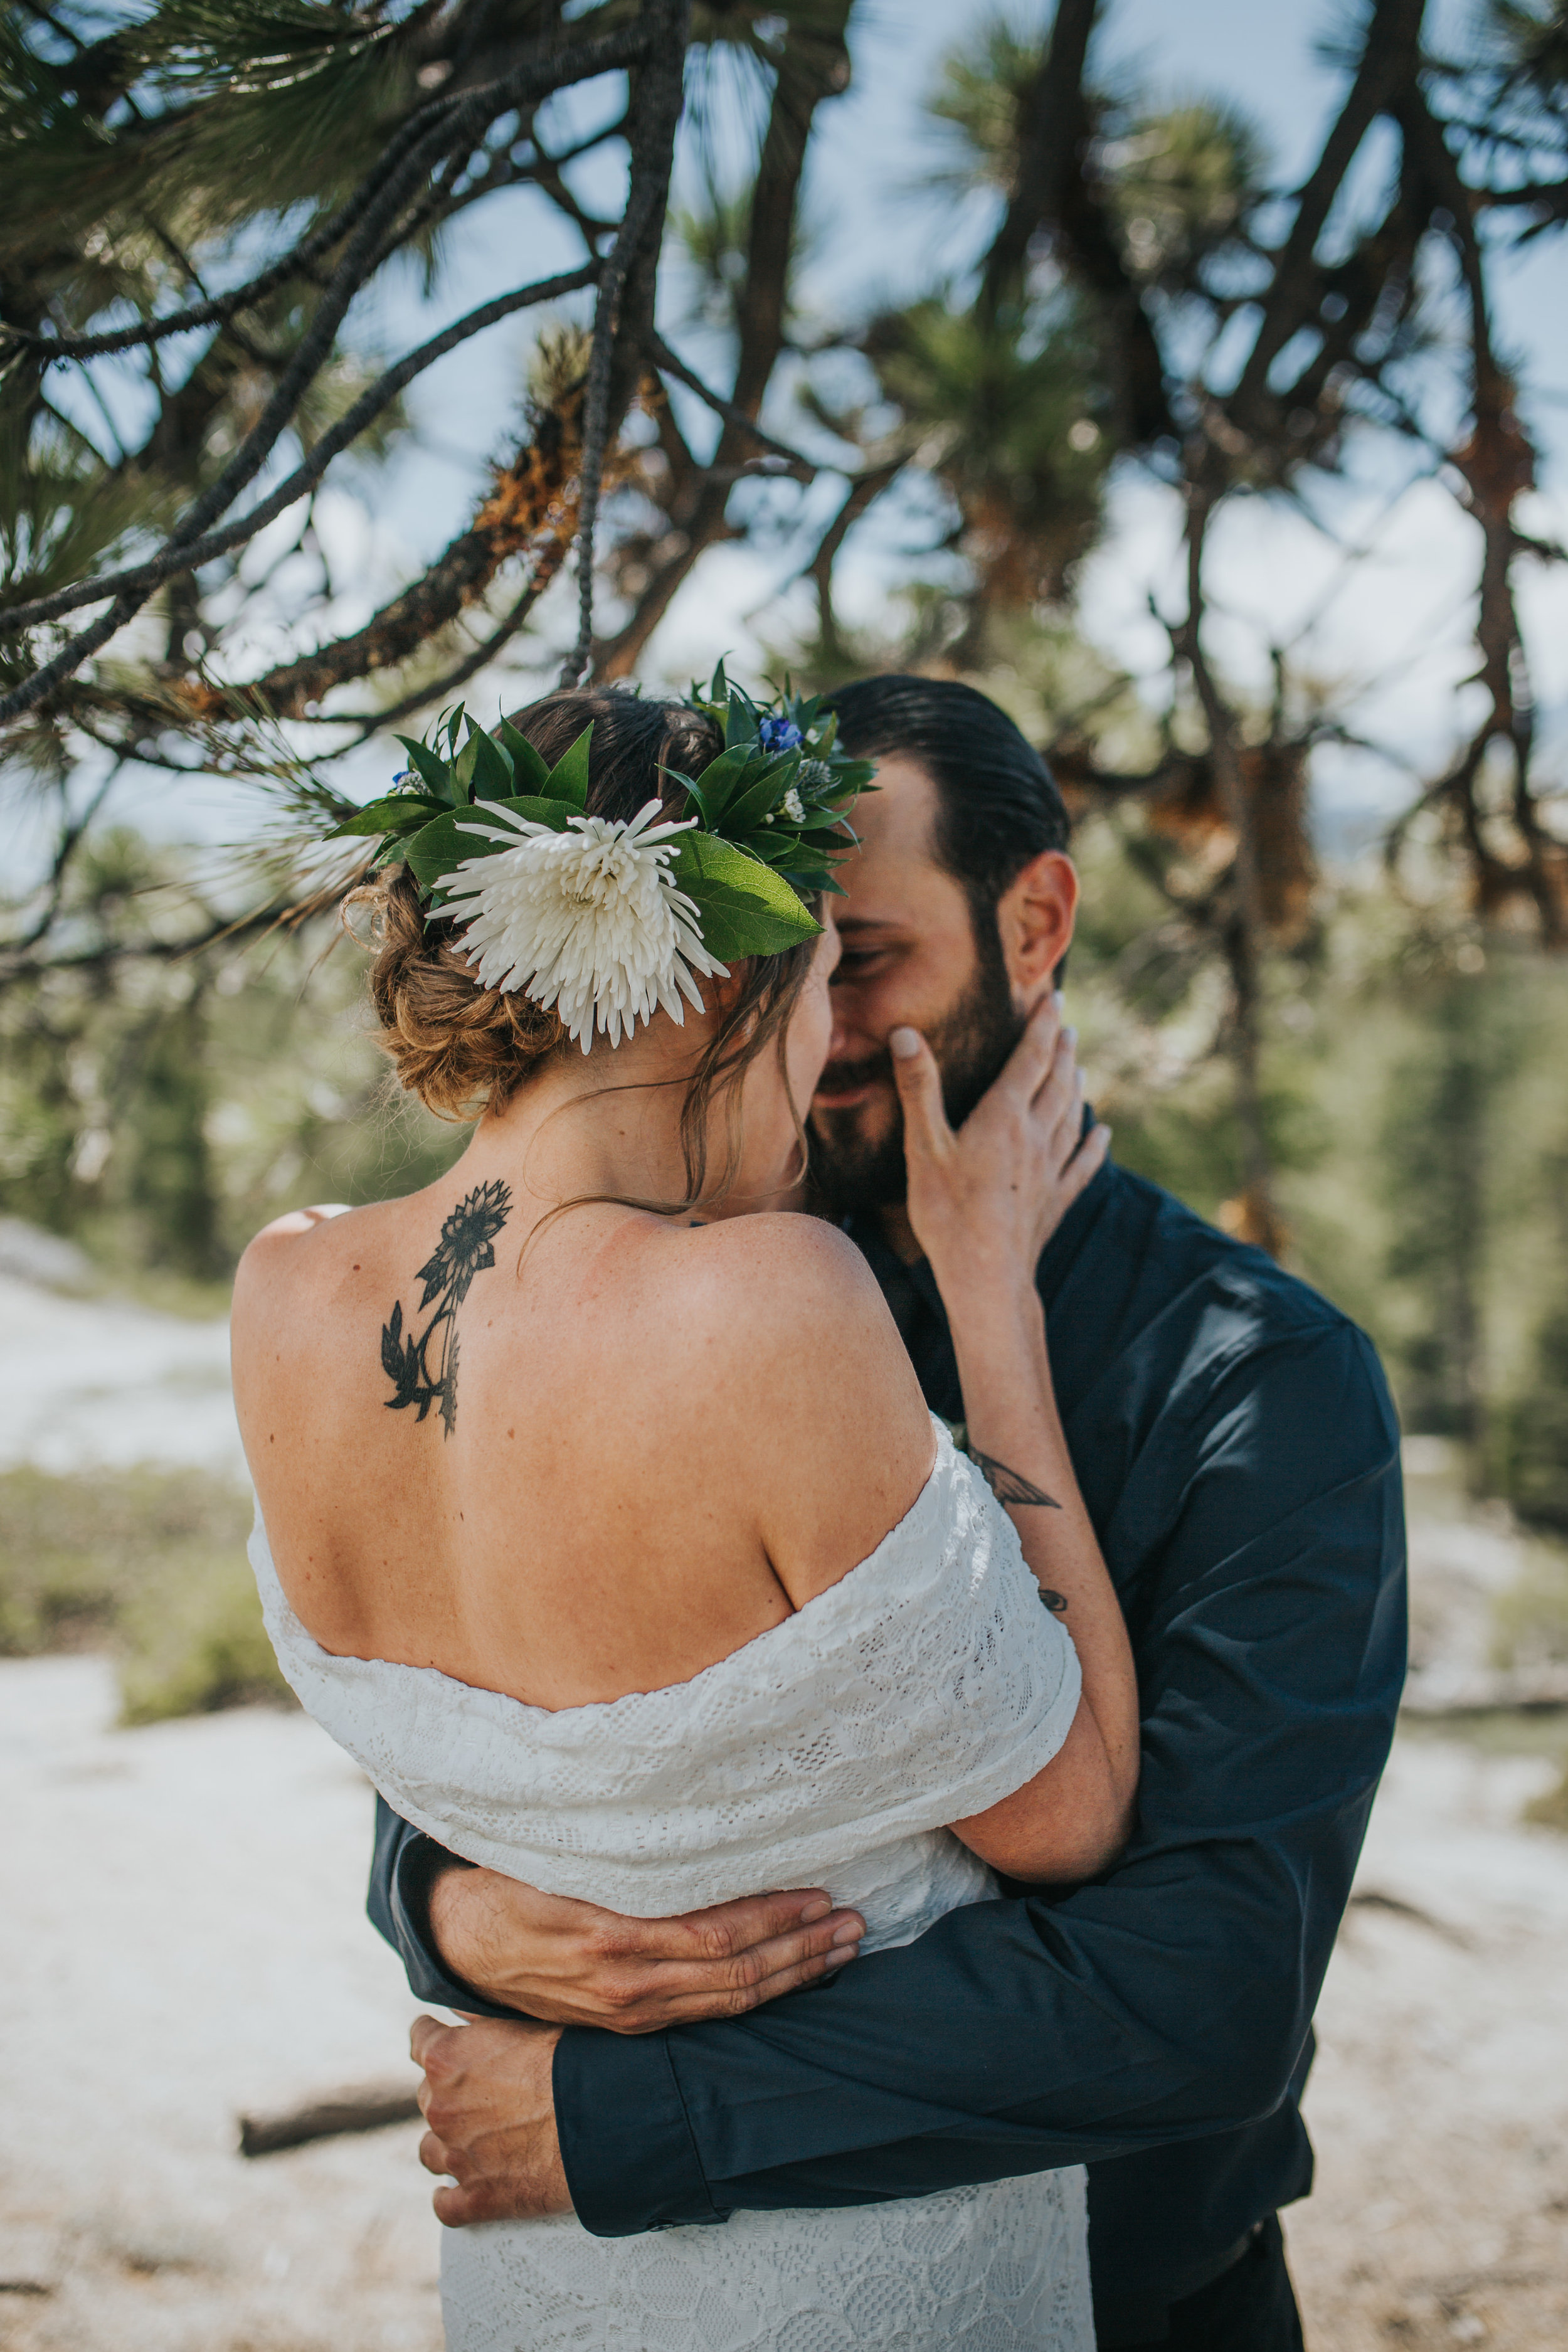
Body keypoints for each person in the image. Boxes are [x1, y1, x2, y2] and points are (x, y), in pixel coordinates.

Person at [374, 675, 1408, 2352]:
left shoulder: (1259, 1380)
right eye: (745, 958)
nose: (790, 1022)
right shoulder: (667, 1309)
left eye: (854, 961)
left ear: (1038, 918)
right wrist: (442, 1899)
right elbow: (489, 1716)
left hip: (1129, 2306)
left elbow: (1198, 1999)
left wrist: (628, 2115)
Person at [231, 677, 1142, 2351]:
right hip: (866, 2247)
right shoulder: (768, 1302)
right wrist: (990, 1304)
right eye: (820, 980)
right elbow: (1067, 1811)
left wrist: (442, 1904)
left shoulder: (286, 1292)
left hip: (542, 2248)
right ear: (729, 967)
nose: (822, 1064)